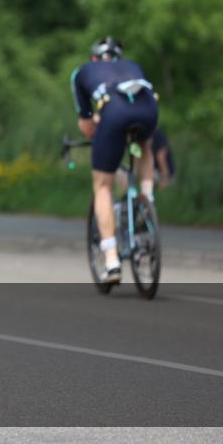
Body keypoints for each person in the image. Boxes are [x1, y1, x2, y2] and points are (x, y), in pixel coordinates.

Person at [70, 36, 158, 284]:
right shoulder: (133, 65)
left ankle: (110, 260)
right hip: (148, 110)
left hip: (114, 112)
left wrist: (101, 127)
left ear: (94, 58)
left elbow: (87, 128)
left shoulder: (82, 73)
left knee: (102, 185)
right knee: (144, 144)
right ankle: (147, 199)